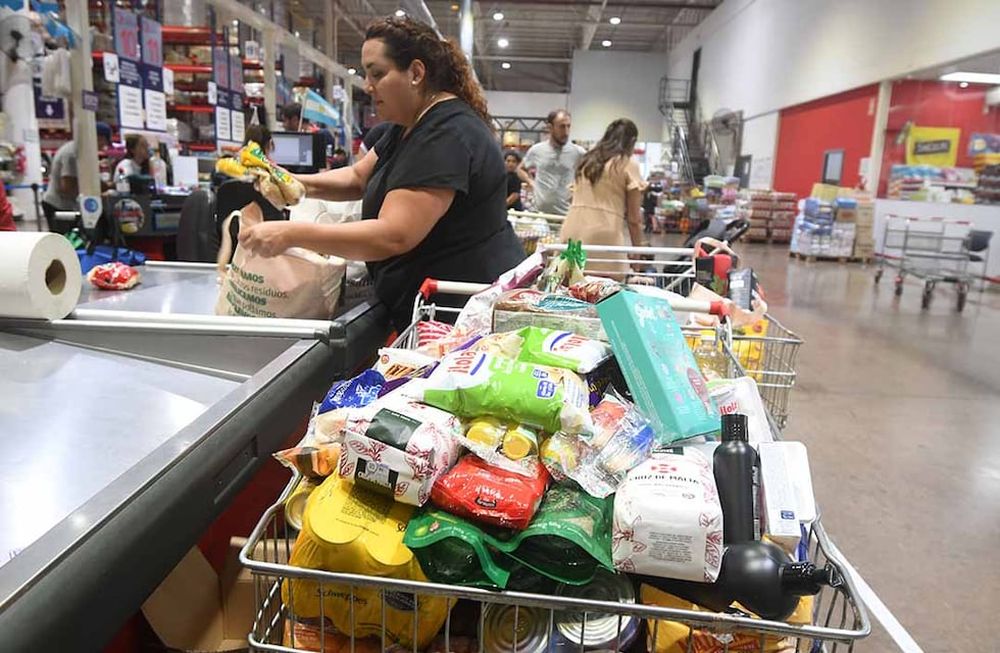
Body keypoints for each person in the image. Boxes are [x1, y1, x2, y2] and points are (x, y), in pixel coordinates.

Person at [238, 16, 524, 329]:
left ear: (416, 73)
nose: (367, 85)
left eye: (377, 73)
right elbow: (356, 178)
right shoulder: (406, 127)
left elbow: (393, 234)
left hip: (456, 316)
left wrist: (290, 234)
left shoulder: (446, 134)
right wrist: (287, 180)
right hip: (431, 309)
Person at [559, 118, 647, 275]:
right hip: (604, 233)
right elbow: (634, 220)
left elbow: (573, 197)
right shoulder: (626, 164)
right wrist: (637, 254)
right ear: (632, 141)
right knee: (604, 291)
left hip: (572, 230)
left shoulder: (586, 161)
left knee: (569, 286)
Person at [42, 122, 112, 233]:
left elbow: (92, 178)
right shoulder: (73, 153)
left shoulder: (86, 153)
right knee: (66, 243)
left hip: (68, 205)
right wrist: (91, 195)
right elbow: (66, 188)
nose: (103, 147)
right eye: (103, 143)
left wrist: (108, 187)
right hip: (58, 205)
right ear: (98, 138)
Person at [517, 110, 585, 215]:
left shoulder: (578, 152)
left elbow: (595, 174)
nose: (566, 132)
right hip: (539, 215)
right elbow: (520, 169)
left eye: (568, 126)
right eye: (562, 127)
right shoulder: (537, 150)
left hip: (565, 215)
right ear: (550, 127)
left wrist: (579, 187)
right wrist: (531, 183)